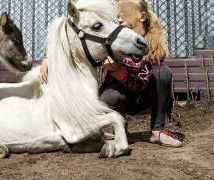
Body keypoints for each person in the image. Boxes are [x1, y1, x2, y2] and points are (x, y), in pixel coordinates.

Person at [39, 0, 182, 147]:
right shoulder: (113, 34)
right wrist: (50, 58)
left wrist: (117, 70)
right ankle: (121, 132)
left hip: (145, 97)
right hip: (120, 96)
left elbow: (140, 83)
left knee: (162, 73)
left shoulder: (154, 42)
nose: (119, 18)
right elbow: (81, 42)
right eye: (118, 15)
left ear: (143, 16)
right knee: (110, 97)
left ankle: (157, 131)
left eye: (125, 14)